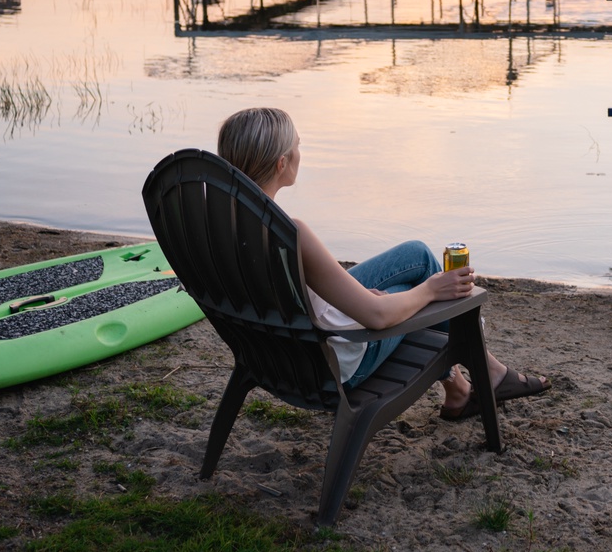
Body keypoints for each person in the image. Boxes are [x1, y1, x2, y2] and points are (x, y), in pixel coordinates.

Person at [217, 107, 549, 421]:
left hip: (274, 356)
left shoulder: (211, 227)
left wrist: (362, 302)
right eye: (297, 146)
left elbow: (291, 296)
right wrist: (430, 290)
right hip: (331, 367)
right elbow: (377, 317)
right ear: (281, 164)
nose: (301, 154)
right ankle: (486, 375)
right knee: (413, 291)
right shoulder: (290, 235)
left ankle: (462, 387)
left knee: (417, 256)